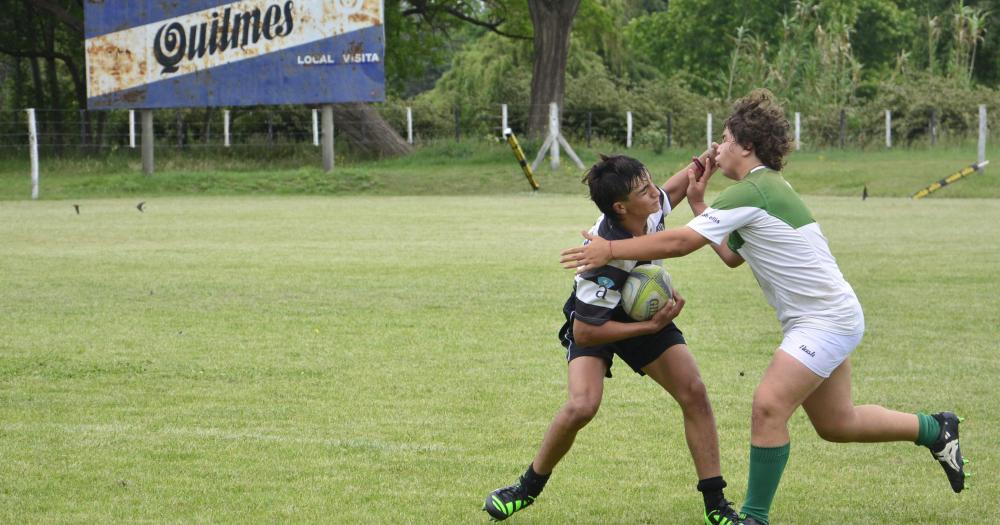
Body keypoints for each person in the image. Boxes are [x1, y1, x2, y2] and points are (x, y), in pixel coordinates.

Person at [558, 89, 968, 525]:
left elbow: (680, 242)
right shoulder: (758, 191)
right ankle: (934, 428)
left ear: (746, 147)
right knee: (837, 422)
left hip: (824, 321)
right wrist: (699, 202)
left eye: (726, 139)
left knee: (768, 406)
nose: (719, 147)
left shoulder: (755, 189)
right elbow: (733, 256)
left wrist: (609, 251)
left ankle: (753, 518)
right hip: (826, 317)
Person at [483, 154, 741, 524]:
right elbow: (587, 330)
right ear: (621, 207)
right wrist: (647, 329)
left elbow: (672, 190)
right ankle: (525, 488)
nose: (655, 193)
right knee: (582, 406)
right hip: (598, 319)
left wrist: (707, 161)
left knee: (694, 392)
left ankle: (716, 506)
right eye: (643, 190)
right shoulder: (601, 257)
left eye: (650, 182)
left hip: (642, 314)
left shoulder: (646, 209)